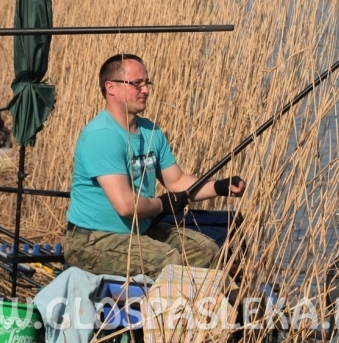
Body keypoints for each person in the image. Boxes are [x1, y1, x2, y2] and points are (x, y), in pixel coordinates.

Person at [64, 53, 246, 279]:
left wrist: (219, 186)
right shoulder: (102, 136)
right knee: (168, 260)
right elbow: (126, 206)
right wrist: (162, 204)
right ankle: (168, 311)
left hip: (140, 231)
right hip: (92, 240)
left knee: (206, 251)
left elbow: (177, 182)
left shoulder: (151, 131)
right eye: (136, 84)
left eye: (146, 83)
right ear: (111, 88)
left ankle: (217, 307)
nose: (146, 90)